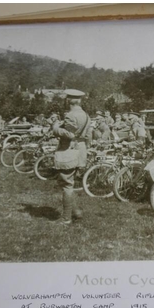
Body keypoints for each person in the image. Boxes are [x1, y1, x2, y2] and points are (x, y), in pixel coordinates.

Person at [52, 89, 91, 226]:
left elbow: (70, 135)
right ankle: (76, 212)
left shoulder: (70, 115)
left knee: (66, 184)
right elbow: (86, 135)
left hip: (69, 150)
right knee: (70, 183)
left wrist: (55, 127)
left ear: (68, 101)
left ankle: (66, 218)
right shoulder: (85, 115)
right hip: (80, 150)